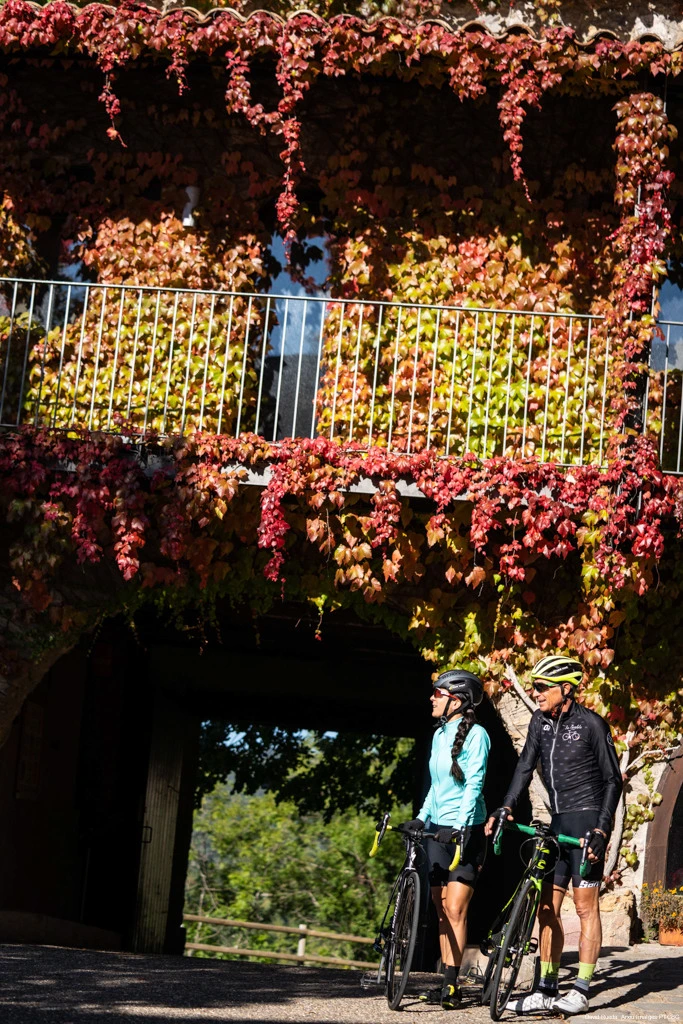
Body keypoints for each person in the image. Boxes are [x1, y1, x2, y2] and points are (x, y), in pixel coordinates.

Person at [485, 654, 623, 1015]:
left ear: (566, 688)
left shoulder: (593, 725)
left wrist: (602, 829)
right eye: (534, 686)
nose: (536, 693)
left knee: (584, 907)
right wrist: (506, 806)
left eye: (543, 687)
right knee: (546, 907)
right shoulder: (538, 722)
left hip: (588, 823)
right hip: (559, 822)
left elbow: (614, 780)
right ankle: (545, 987)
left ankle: (580, 989)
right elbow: (524, 767)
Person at [399, 669, 490, 1010]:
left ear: (456, 699)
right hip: (437, 830)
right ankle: (443, 982)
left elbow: (474, 784)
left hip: (464, 832)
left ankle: (452, 987)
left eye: (437, 693)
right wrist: (422, 818)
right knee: (440, 912)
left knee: (455, 909)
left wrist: (463, 826)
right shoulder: (439, 736)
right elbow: (437, 788)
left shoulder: (477, 735)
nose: (432, 698)